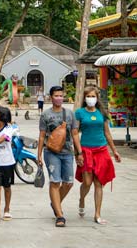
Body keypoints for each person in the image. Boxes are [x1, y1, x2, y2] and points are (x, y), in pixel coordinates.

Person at [75, 86, 121, 225]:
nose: (91, 99)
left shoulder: (102, 113)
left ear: (97, 98)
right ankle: (82, 199)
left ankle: (97, 214)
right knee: (87, 182)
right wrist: (78, 153)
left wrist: (114, 151)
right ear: (84, 98)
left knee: (98, 182)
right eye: (88, 96)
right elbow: (75, 133)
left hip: (101, 150)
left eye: (93, 96)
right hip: (86, 151)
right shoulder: (79, 113)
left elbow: (107, 133)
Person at [37, 85, 80, 228]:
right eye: (56, 96)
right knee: (55, 182)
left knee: (68, 183)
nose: (59, 98)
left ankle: (55, 203)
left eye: (61, 95)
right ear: (51, 97)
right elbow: (42, 136)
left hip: (67, 152)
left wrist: (79, 152)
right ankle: (59, 215)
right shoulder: (45, 115)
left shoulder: (69, 114)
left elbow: (74, 134)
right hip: (51, 152)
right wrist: (39, 156)